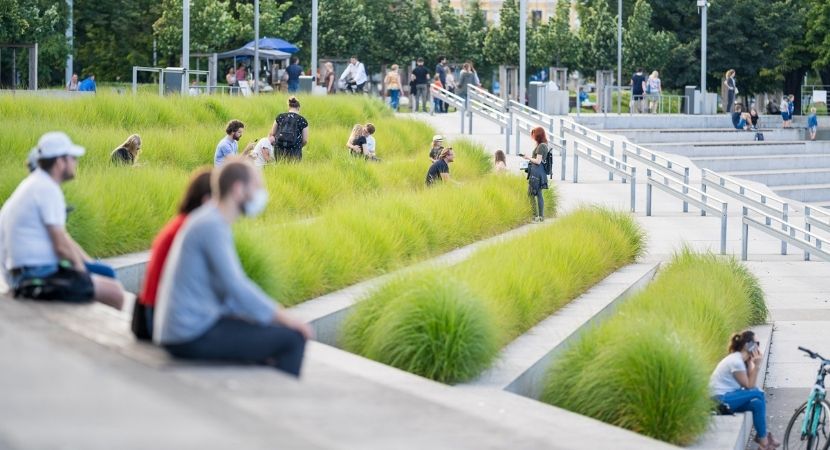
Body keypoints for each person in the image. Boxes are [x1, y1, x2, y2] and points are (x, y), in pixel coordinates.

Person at [153, 158, 312, 377]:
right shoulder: (212, 226)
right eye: (256, 187)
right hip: (190, 333)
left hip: (185, 328)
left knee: (268, 335)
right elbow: (236, 286)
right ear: (238, 189)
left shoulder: (210, 219)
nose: (260, 194)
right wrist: (286, 317)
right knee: (292, 339)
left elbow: (226, 290)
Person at [0, 132, 124, 309]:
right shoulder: (47, 189)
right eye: (72, 158)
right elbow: (60, 246)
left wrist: (89, 264)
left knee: (106, 272)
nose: (76, 162)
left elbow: (64, 238)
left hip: (26, 271)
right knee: (115, 293)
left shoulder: (36, 183)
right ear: (59, 162)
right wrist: (82, 272)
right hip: (33, 276)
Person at [132, 168, 213, 341]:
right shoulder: (189, 230)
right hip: (158, 317)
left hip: (153, 310)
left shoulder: (181, 223)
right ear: (207, 200)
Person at [710, 331, 780, 450]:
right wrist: (757, 365)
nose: (758, 346)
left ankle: (762, 439)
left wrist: (752, 363)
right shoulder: (735, 361)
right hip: (719, 400)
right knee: (758, 393)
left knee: (757, 404)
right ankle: (763, 439)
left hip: (729, 398)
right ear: (748, 345)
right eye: (756, 343)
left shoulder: (742, 361)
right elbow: (749, 386)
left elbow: (749, 385)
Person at [521, 127, 550, 223]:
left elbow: (538, 161)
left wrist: (528, 157)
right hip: (539, 172)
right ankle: (541, 217)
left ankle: (535, 216)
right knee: (538, 194)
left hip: (537, 172)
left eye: (533, 134)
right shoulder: (543, 145)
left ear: (538, 135)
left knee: (531, 193)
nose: (532, 136)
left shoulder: (541, 146)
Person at [269, 96, 309, 161]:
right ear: (298, 108)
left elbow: (272, 133)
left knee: (280, 168)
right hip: (295, 150)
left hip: (279, 149)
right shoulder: (302, 120)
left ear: (289, 107)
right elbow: (305, 140)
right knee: (294, 169)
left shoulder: (280, 117)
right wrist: (299, 146)